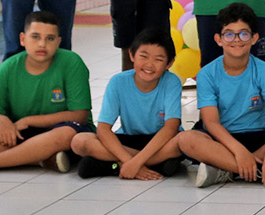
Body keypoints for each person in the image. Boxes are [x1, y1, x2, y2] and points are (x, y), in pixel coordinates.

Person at [180, 2, 265, 187]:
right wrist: (239, 151)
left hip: (260, 137)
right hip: (224, 140)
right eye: (229, 34)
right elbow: (211, 122)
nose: (236, 40)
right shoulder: (207, 74)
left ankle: (227, 170)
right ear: (218, 39)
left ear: (254, 38)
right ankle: (263, 171)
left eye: (243, 34)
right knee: (186, 140)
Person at [0, 10, 89, 174]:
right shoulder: (8, 67)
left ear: (58, 42)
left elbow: (80, 115)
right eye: (35, 37)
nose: (42, 44)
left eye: (50, 39)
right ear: (23, 39)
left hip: (58, 131)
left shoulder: (71, 62)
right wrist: (1, 120)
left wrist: (29, 121)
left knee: (66, 135)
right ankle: (40, 159)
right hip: (20, 133)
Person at [71, 28, 186, 180]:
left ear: (169, 63)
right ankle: (152, 164)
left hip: (161, 141)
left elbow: (171, 127)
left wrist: (135, 162)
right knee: (79, 141)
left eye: (158, 59)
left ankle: (113, 165)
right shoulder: (118, 82)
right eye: (143, 56)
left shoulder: (171, 82)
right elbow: (104, 129)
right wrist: (131, 162)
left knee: (184, 142)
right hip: (129, 138)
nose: (149, 65)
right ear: (132, 55)